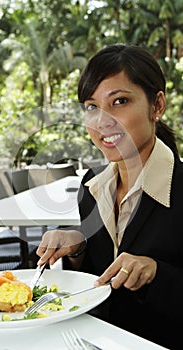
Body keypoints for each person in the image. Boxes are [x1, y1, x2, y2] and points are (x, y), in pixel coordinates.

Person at [36, 44, 183, 350]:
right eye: (92, 106)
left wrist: (155, 272)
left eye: (119, 101)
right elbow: (98, 285)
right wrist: (79, 249)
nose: (102, 121)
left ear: (156, 106)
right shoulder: (92, 187)